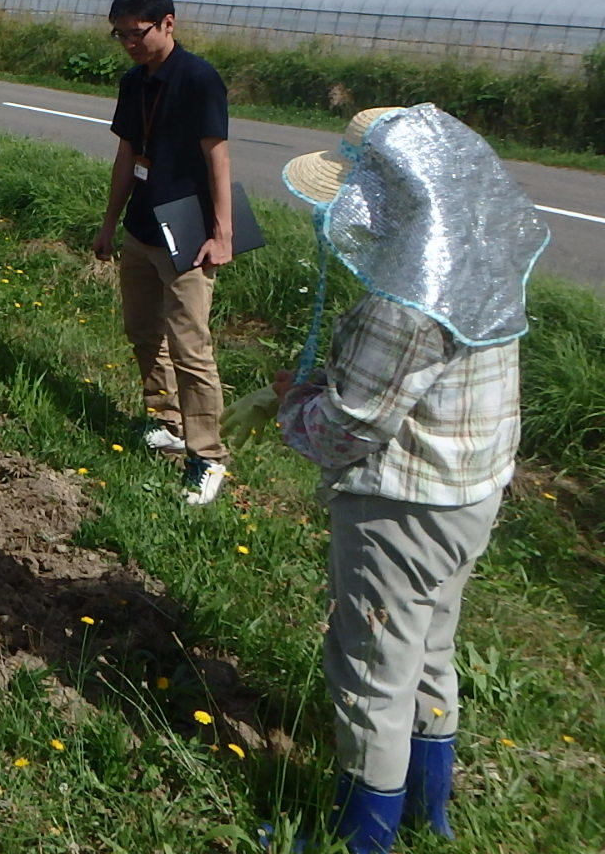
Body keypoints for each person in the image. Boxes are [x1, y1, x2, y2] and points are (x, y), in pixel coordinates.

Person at [274, 105, 546, 853]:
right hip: (472, 494)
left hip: (402, 506)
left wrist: (293, 406)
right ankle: (432, 810)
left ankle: (363, 836)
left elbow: (350, 426)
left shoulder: (405, 300)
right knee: (430, 649)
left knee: (372, 670)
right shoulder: (475, 264)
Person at [93, 0, 236, 505]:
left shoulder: (199, 79)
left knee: (190, 346)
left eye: (137, 33)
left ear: (168, 23)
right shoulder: (135, 82)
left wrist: (223, 234)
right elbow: (127, 156)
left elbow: (218, 157)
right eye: (120, 35)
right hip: (142, 223)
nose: (129, 43)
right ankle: (166, 420)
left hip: (190, 228)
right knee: (141, 331)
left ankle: (208, 456)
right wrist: (109, 224)